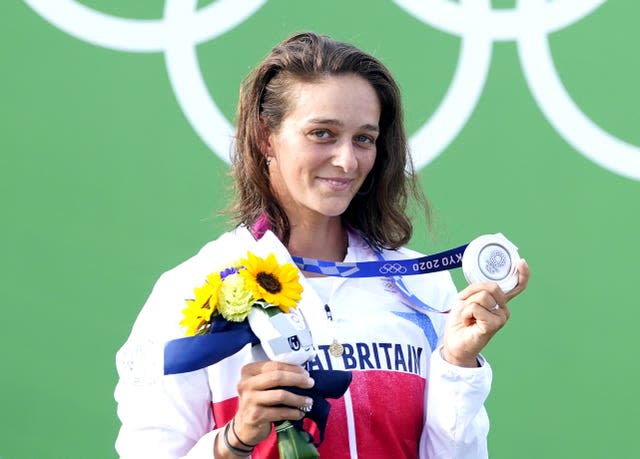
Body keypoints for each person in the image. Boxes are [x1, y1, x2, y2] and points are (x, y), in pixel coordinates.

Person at [114, 32, 530, 458]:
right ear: (265, 137)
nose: (347, 161)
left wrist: (458, 364)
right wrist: (234, 439)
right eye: (322, 133)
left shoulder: (424, 288)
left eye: (364, 139)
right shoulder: (191, 290)